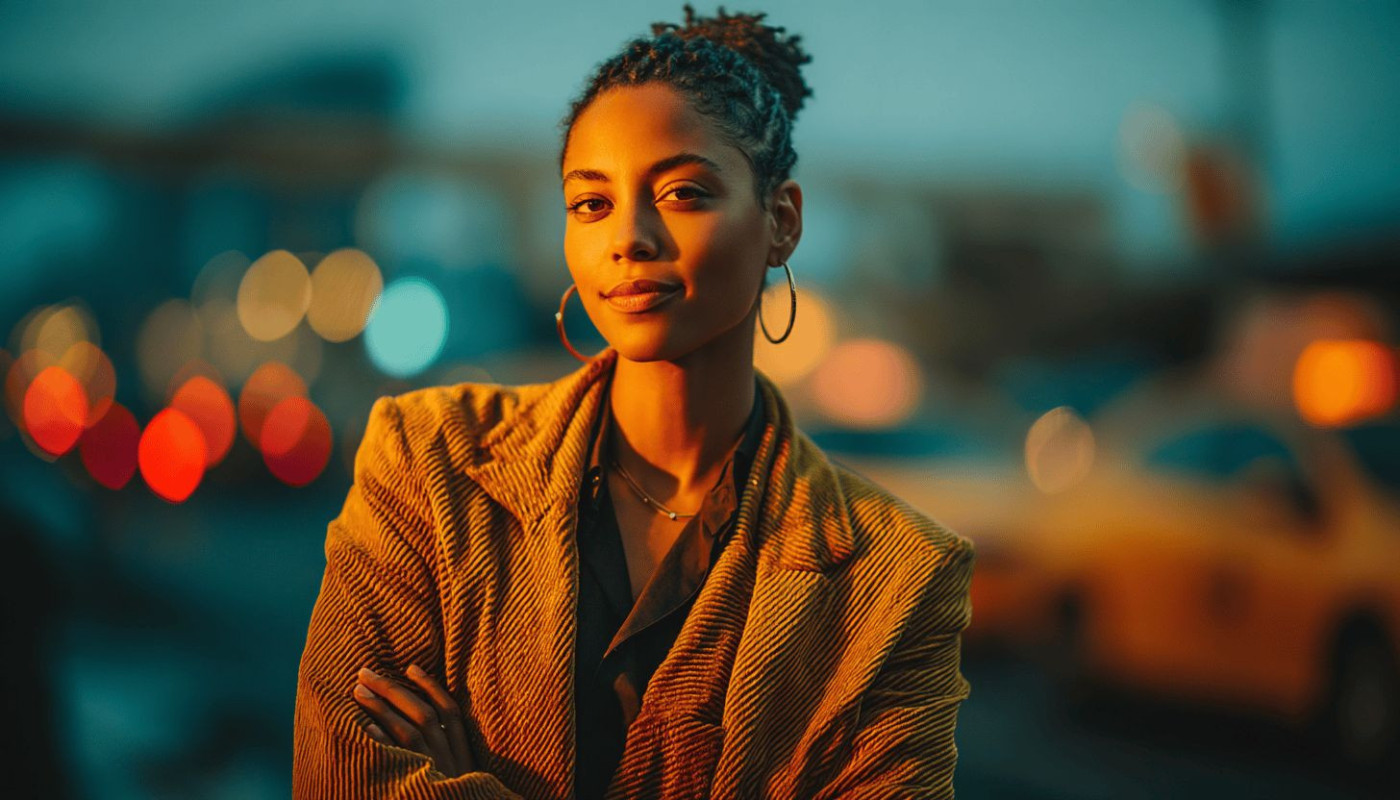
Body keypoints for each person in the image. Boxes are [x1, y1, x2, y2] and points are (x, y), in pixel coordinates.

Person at [292, 6, 975, 798]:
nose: (628, 237)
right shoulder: (427, 459)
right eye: (591, 204)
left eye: (683, 193)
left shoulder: (900, 577)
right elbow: (343, 776)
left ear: (781, 222)